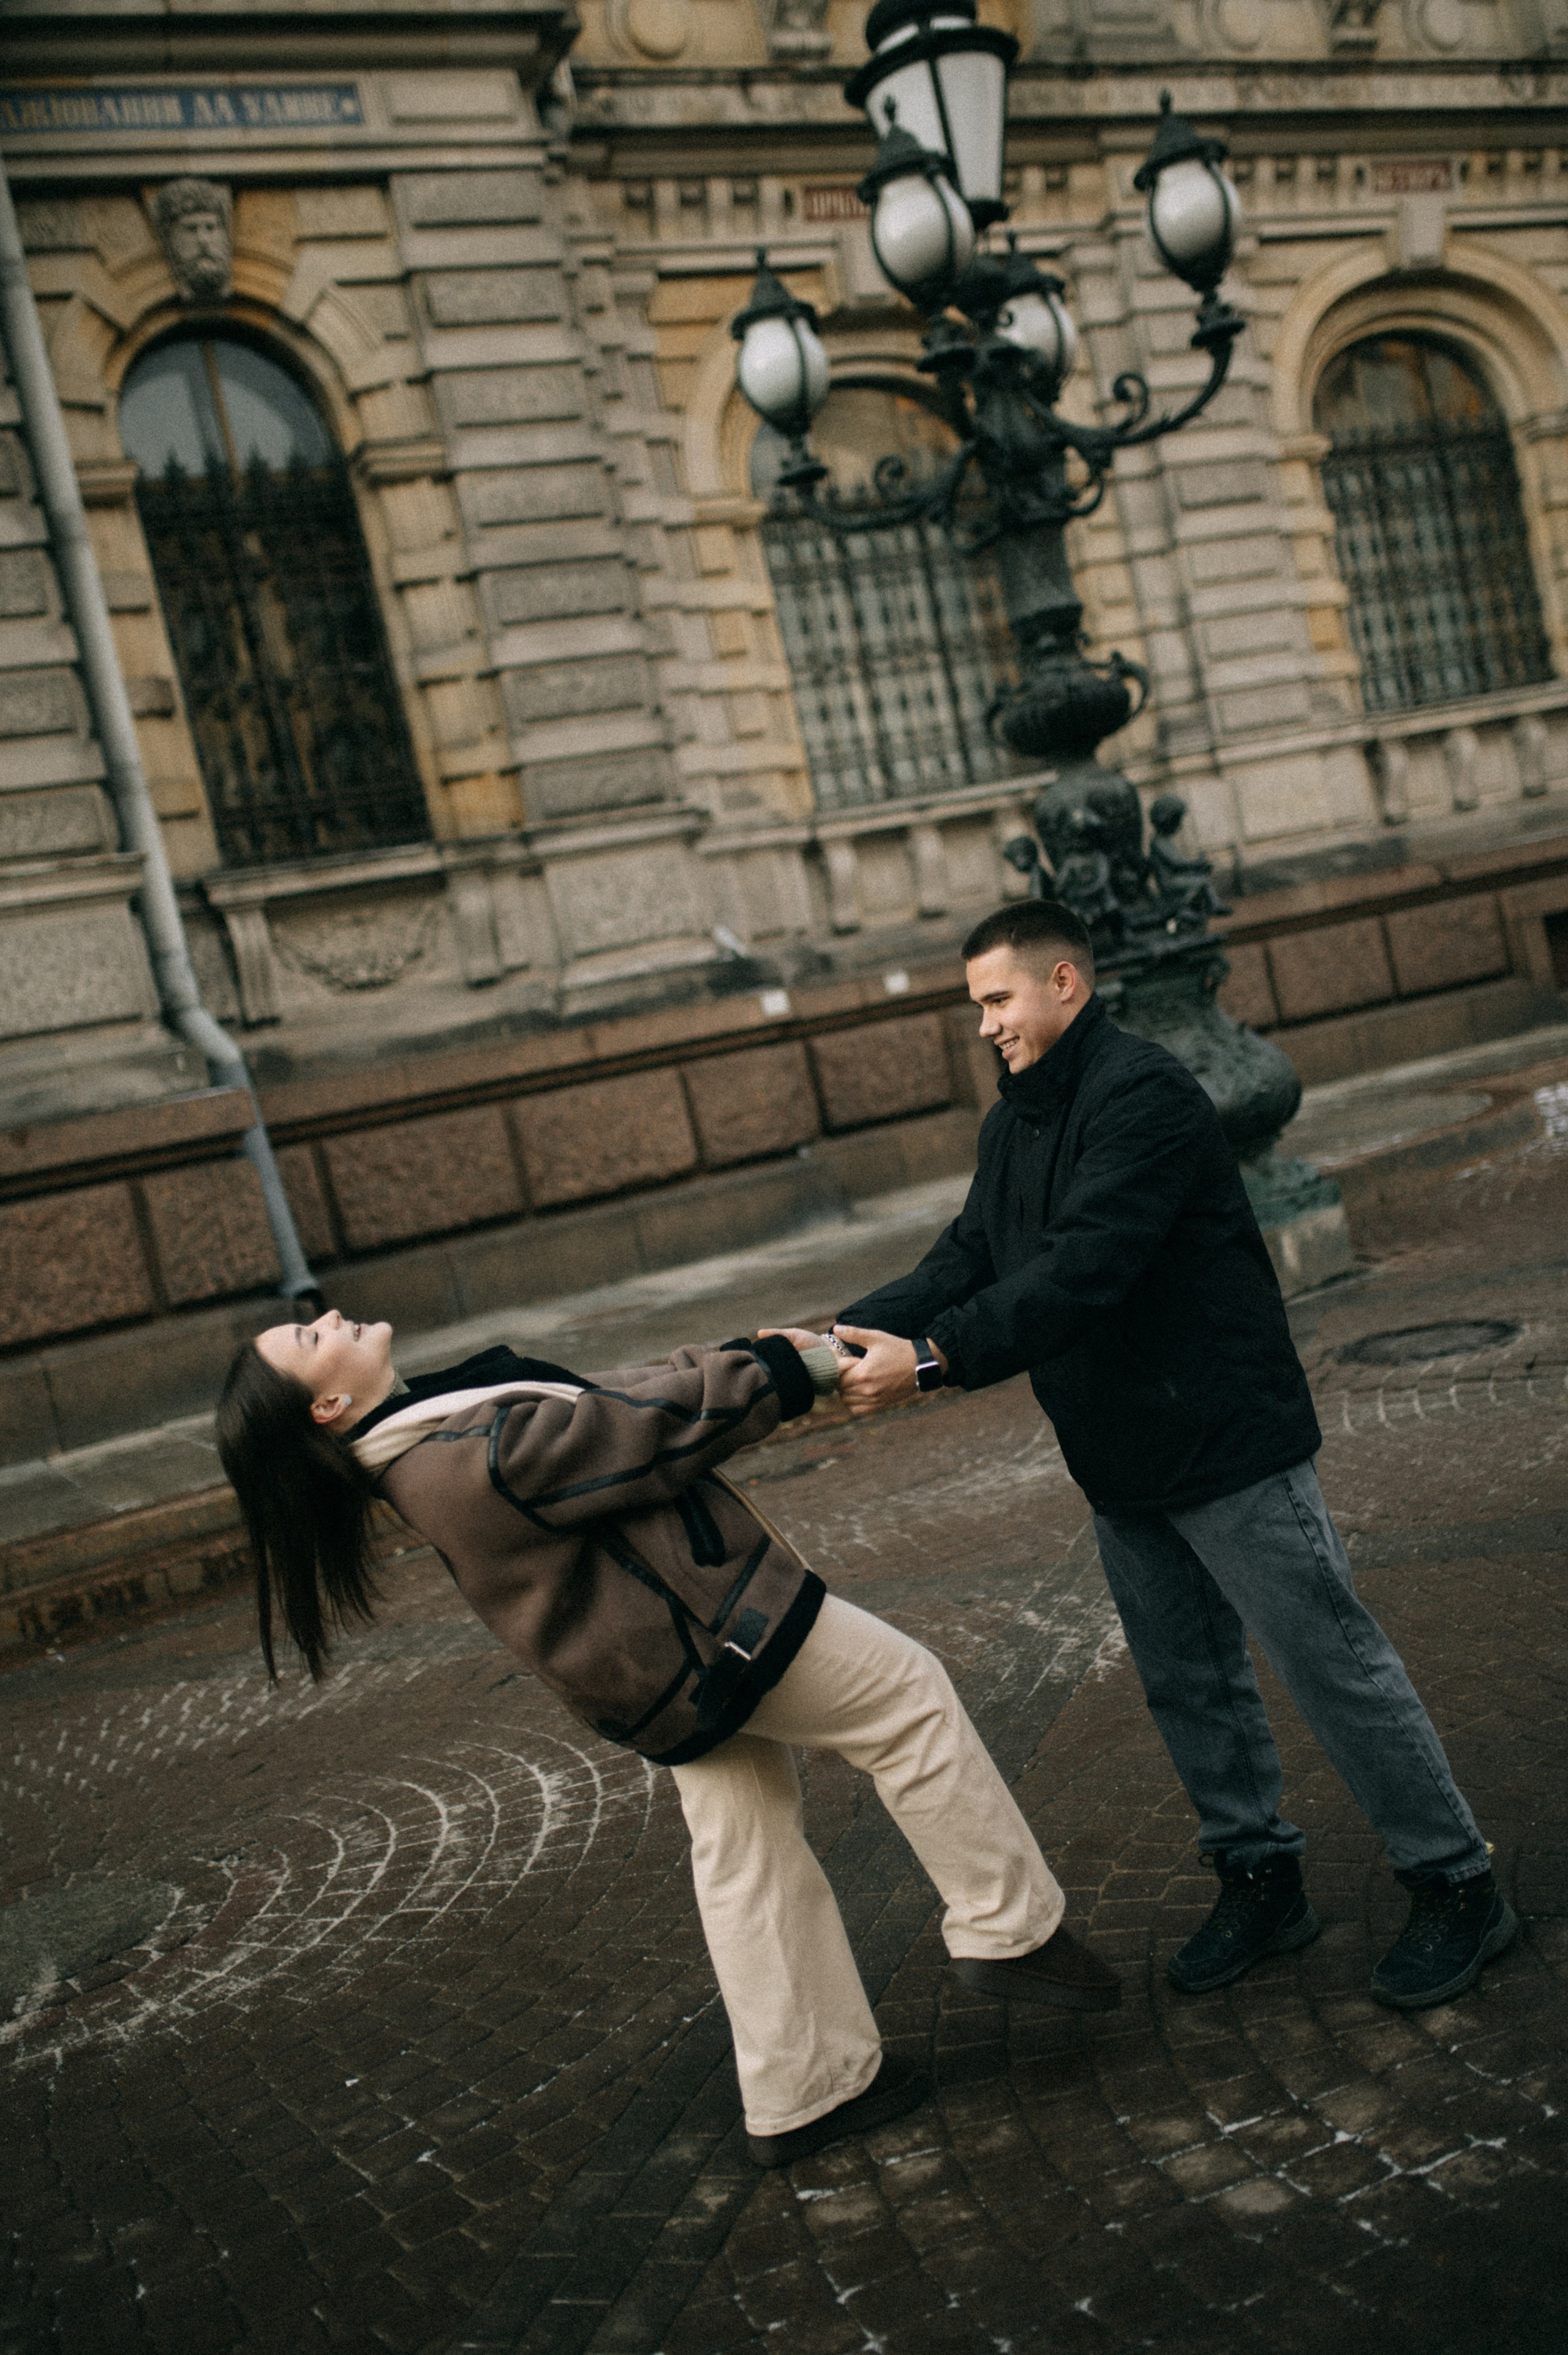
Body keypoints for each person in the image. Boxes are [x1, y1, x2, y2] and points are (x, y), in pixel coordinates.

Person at [216, 1312, 1119, 2169]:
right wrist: (775, 1374)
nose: (330, 1317)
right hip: (714, 1637)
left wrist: (745, 1352)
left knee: (746, 1845)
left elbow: (608, 1394)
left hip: (664, 1670)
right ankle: (1010, 1930)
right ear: (328, 1408)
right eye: (311, 1337)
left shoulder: (432, 1427)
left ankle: (807, 2087)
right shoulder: (457, 1462)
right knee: (907, 1698)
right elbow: (635, 1431)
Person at [827, 897, 1516, 2011]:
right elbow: (968, 1255)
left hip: (1225, 1439)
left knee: (1331, 1664)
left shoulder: (1142, 1093)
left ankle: (1459, 1883)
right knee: (1189, 1685)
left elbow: (1084, 1268)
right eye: (977, 1007)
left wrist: (934, 1361)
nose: (986, 1025)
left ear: (1065, 984)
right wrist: (829, 1339)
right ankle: (1261, 1880)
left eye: (998, 999)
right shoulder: (1017, 1123)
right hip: (1122, 1455)